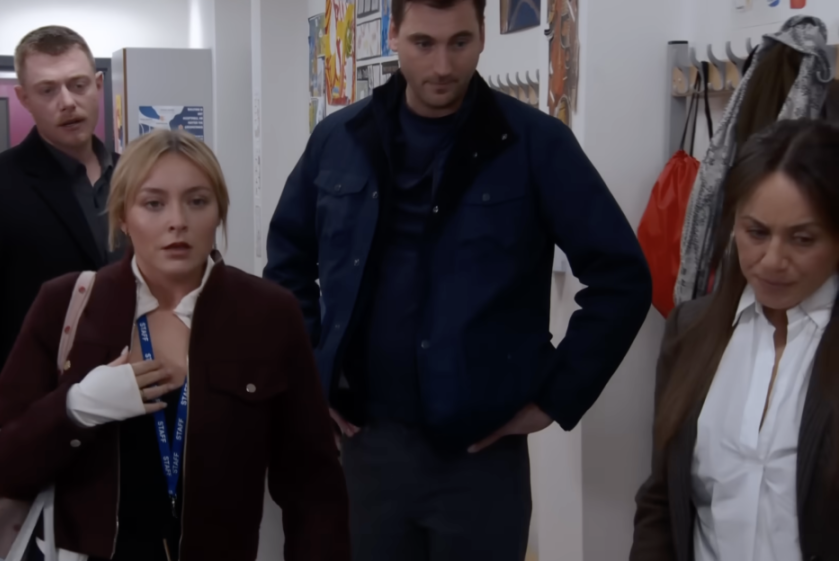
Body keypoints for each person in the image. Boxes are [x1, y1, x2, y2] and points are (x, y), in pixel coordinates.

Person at [264, 0, 652, 559]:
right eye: (424, 43)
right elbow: (287, 261)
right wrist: (310, 370)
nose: (443, 66)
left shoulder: (535, 145)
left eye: (460, 42)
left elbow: (622, 277)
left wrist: (556, 397)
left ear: (483, 37)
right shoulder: (338, 140)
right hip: (367, 446)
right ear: (394, 34)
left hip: (482, 458)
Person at [0, 129, 350, 561]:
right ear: (122, 217)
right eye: (154, 203)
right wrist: (77, 408)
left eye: (197, 201)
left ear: (219, 213)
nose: (178, 221)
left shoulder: (267, 313)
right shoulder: (66, 305)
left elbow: (313, 484)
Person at [631, 119, 839, 561]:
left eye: (802, 239)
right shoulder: (691, 330)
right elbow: (661, 496)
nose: (772, 260)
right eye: (756, 232)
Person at [0, 26, 120, 485]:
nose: (66, 102)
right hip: (33, 427)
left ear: (97, 84)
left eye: (76, 84)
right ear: (23, 98)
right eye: (47, 90)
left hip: (135, 421)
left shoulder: (139, 179)